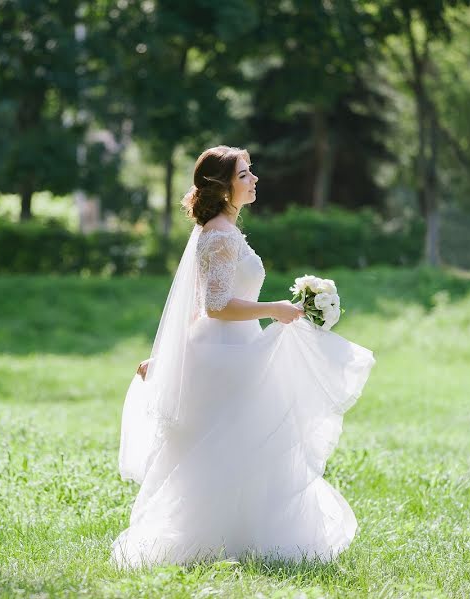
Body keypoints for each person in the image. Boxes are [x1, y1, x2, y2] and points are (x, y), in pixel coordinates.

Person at [112, 145, 375, 568]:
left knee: (245, 446)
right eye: (244, 174)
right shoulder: (218, 234)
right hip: (225, 354)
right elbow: (216, 306)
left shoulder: (223, 231)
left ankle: (241, 539)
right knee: (227, 447)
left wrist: (169, 358)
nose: (254, 180)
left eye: (251, 172)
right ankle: (208, 542)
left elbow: (198, 307)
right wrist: (274, 309)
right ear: (223, 187)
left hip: (234, 347)